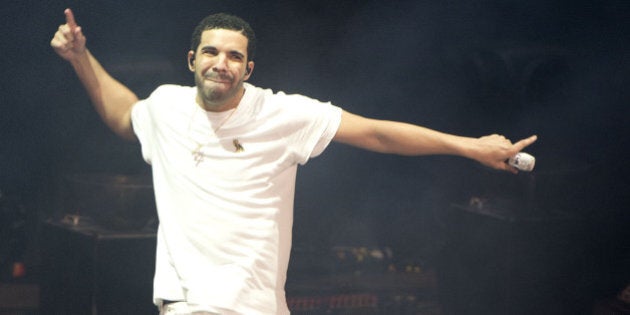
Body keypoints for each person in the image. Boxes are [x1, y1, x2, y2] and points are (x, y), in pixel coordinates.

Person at [51, 8, 537, 315]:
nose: (222, 62)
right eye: (212, 52)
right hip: (188, 305)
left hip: (260, 305)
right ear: (192, 59)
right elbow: (122, 113)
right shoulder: (166, 107)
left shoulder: (282, 113)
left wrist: (469, 145)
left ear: (249, 68)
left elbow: (376, 132)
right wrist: (81, 58)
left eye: (235, 56)